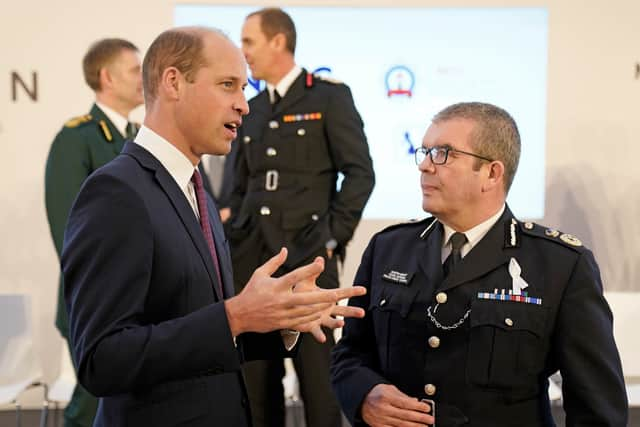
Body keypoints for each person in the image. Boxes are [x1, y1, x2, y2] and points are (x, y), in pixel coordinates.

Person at [61, 27, 366, 427]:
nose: (244, 105)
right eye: (228, 86)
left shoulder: (197, 191)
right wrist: (235, 316)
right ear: (173, 82)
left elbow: (200, 327)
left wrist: (278, 320)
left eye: (244, 88)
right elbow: (101, 360)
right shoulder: (116, 192)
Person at [331, 102, 629, 426]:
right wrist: (364, 395)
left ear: (492, 173)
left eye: (444, 153)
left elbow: (598, 407)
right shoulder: (388, 249)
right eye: (425, 152)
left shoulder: (560, 265)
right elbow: (351, 354)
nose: (425, 166)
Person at [229, 8, 375, 427]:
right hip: (253, 264)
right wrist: (234, 234)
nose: (244, 52)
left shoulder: (327, 97)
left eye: (249, 41)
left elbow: (361, 173)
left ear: (278, 41)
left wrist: (333, 237)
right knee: (256, 388)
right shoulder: (251, 107)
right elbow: (240, 185)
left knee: (320, 387)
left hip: (309, 259)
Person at [44, 37, 143, 427]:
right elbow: (69, 230)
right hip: (94, 301)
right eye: (135, 70)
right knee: (90, 407)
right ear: (106, 77)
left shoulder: (138, 138)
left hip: (137, 301)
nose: (143, 78)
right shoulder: (76, 138)